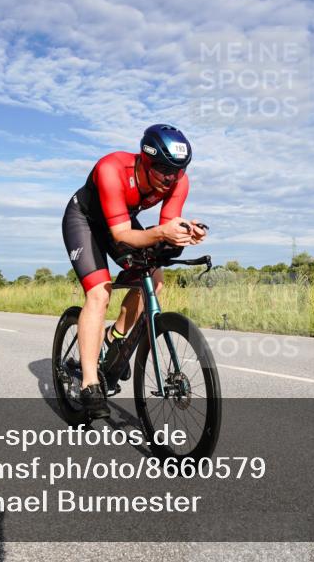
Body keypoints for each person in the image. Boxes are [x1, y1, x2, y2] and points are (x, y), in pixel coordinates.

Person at [62, 124, 206, 418]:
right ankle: (90, 383)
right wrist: (163, 233)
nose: (170, 178)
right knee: (100, 293)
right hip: (86, 222)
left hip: (121, 223)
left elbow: (165, 228)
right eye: (163, 169)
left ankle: (114, 339)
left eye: (178, 170)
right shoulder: (111, 168)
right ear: (144, 158)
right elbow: (122, 235)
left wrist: (184, 233)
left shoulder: (179, 180)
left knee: (155, 278)